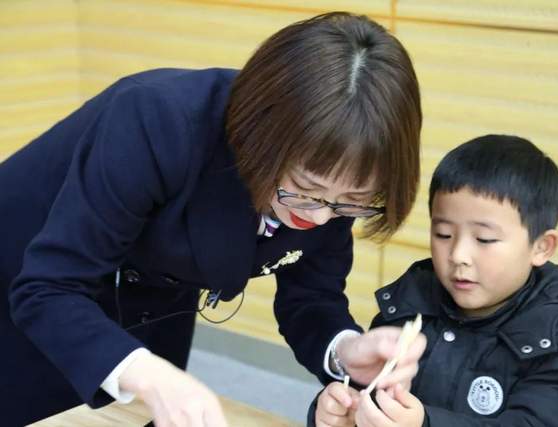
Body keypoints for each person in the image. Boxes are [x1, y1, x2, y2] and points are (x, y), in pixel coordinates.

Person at [0, 12, 427, 427]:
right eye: (304, 189)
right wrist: (145, 373)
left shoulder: (335, 180)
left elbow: (312, 296)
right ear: (264, 138)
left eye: (352, 201)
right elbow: (48, 287)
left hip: (159, 284)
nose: (319, 216)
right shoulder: (156, 119)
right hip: (30, 269)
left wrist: (345, 350)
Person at [311, 134, 558, 427]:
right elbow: (363, 389)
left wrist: (426, 424)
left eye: (484, 239)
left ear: (541, 247)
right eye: (443, 234)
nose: (458, 255)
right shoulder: (410, 304)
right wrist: (338, 410)